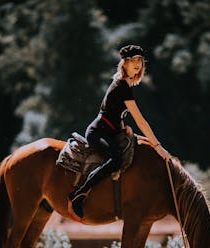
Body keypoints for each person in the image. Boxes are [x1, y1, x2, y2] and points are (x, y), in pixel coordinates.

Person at [68, 44, 171, 218]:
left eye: (139, 61)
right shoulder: (122, 86)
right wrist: (158, 146)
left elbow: (114, 112)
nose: (137, 64)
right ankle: (79, 193)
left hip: (110, 131)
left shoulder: (125, 86)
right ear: (124, 64)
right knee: (116, 159)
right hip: (97, 133)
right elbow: (141, 121)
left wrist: (123, 127)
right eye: (132, 61)